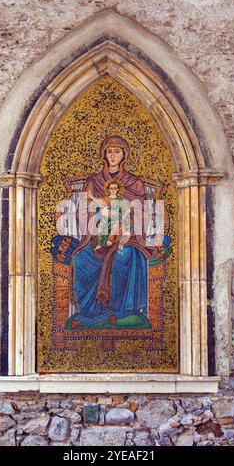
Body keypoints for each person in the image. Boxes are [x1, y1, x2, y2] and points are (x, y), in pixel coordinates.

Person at [66, 135, 159, 328]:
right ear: (103, 155)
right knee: (81, 259)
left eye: (117, 151)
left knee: (124, 256)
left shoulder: (134, 182)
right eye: (109, 151)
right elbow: (84, 209)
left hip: (127, 235)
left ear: (124, 154)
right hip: (97, 234)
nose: (113, 155)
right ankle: (90, 310)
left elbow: (140, 211)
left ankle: (120, 311)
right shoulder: (94, 181)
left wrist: (125, 222)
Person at [88, 179, 131, 253]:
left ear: (118, 189)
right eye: (111, 188)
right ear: (108, 189)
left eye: (115, 188)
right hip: (106, 219)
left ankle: (114, 241)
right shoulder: (106, 198)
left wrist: (123, 214)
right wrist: (92, 197)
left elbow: (126, 210)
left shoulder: (120, 200)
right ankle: (100, 244)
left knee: (115, 231)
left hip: (116, 220)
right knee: (101, 226)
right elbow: (100, 202)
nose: (113, 190)